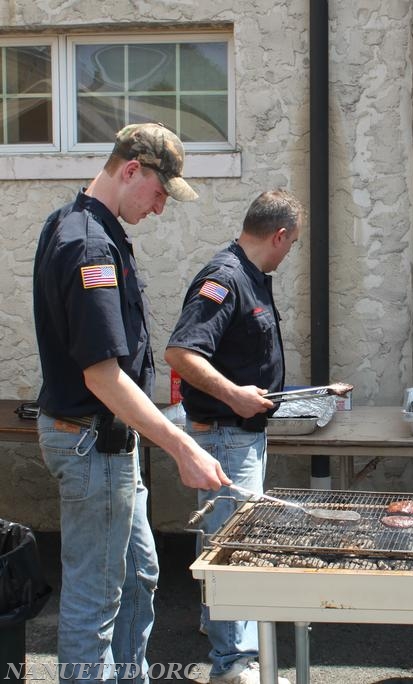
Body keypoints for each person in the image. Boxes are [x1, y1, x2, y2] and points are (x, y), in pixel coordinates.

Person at [33, 122, 231, 684]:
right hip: (92, 444)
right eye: (160, 192)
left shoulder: (85, 225)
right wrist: (181, 446)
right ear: (130, 171)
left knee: (141, 572)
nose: (161, 207)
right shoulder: (88, 243)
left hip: (109, 443)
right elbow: (101, 376)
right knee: (95, 600)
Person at [164, 189, 303, 684]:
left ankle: (217, 626)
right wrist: (234, 396)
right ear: (279, 235)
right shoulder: (225, 278)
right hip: (224, 436)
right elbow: (182, 353)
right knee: (231, 548)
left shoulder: (253, 277)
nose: (289, 254)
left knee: (225, 540)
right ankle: (234, 665)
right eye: (291, 244)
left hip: (242, 434)